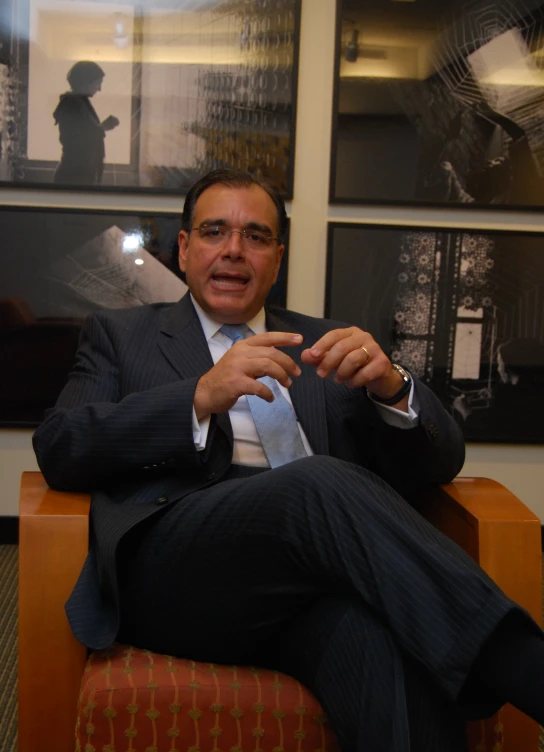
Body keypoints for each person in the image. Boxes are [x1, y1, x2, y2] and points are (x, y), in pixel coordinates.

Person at [33, 168, 544, 751]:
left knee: (385, 651)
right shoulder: (122, 335)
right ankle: (523, 666)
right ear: (184, 247)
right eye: (214, 231)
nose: (233, 250)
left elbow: (442, 460)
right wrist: (198, 397)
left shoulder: (326, 342)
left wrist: (393, 388)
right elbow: (61, 445)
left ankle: (484, 658)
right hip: (180, 575)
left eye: (255, 236)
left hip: (311, 590)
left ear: (277, 258)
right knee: (314, 484)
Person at [53, 60, 119, 186]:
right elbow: (80, 137)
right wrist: (104, 127)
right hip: (74, 177)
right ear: (85, 81)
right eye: (97, 83)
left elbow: (85, 131)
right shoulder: (71, 104)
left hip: (81, 174)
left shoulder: (79, 102)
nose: (99, 89)